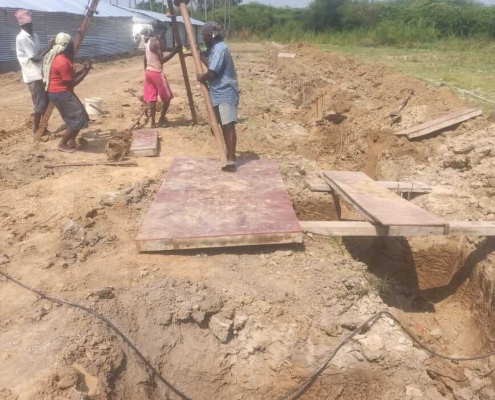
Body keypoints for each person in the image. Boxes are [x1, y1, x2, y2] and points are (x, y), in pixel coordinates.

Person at [197, 22, 239, 172]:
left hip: (226, 91)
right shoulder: (215, 49)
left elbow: (212, 73)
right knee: (221, 126)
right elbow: (211, 65)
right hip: (217, 92)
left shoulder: (220, 49)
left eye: (204, 35)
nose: (203, 38)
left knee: (228, 125)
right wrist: (199, 54)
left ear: (211, 35)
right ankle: (228, 155)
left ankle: (231, 159)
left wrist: (201, 77)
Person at [43, 33, 92, 153]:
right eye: (71, 43)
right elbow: (71, 83)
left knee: (82, 117)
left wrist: (84, 69)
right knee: (78, 119)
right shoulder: (62, 62)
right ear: (66, 45)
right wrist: (86, 72)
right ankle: (62, 144)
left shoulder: (63, 58)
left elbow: (70, 78)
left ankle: (71, 141)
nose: (73, 45)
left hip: (62, 92)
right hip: (61, 93)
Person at [15, 9, 52, 135]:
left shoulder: (34, 36)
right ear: (22, 26)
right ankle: (36, 129)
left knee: (46, 102)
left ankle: (44, 127)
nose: (30, 27)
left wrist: (49, 48)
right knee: (39, 104)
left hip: (41, 72)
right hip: (33, 74)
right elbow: (35, 58)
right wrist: (50, 49)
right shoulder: (21, 38)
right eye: (27, 26)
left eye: (31, 25)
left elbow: (40, 52)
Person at [144, 22, 179, 128]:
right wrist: (174, 52)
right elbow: (162, 60)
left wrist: (146, 70)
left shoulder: (149, 41)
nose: (163, 36)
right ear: (158, 32)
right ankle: (162, 118)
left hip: (148, 72)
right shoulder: (156, 42)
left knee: (152, 98)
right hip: (157, 73)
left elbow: (146, 58)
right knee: (168, 97)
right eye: (163, 34)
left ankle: (153, 123)